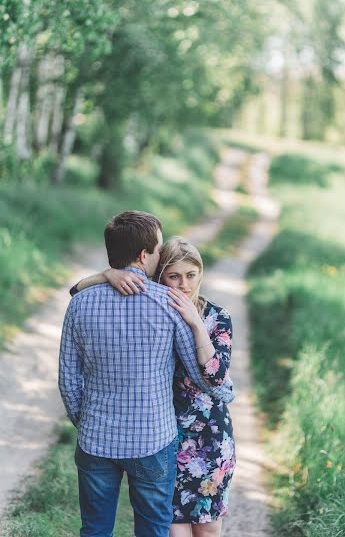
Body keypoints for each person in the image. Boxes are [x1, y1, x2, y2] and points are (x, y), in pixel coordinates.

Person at [59, 211, 234, 537]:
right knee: (154, 530)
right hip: (153, 439)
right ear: (144, 255)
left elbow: (69, 380)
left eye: (190, 275)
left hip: (96, 438)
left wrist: (86, 422)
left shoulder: (80, 304)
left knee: (94, 530)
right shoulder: (167, 305)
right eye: (156, 251)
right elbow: (204, 377)